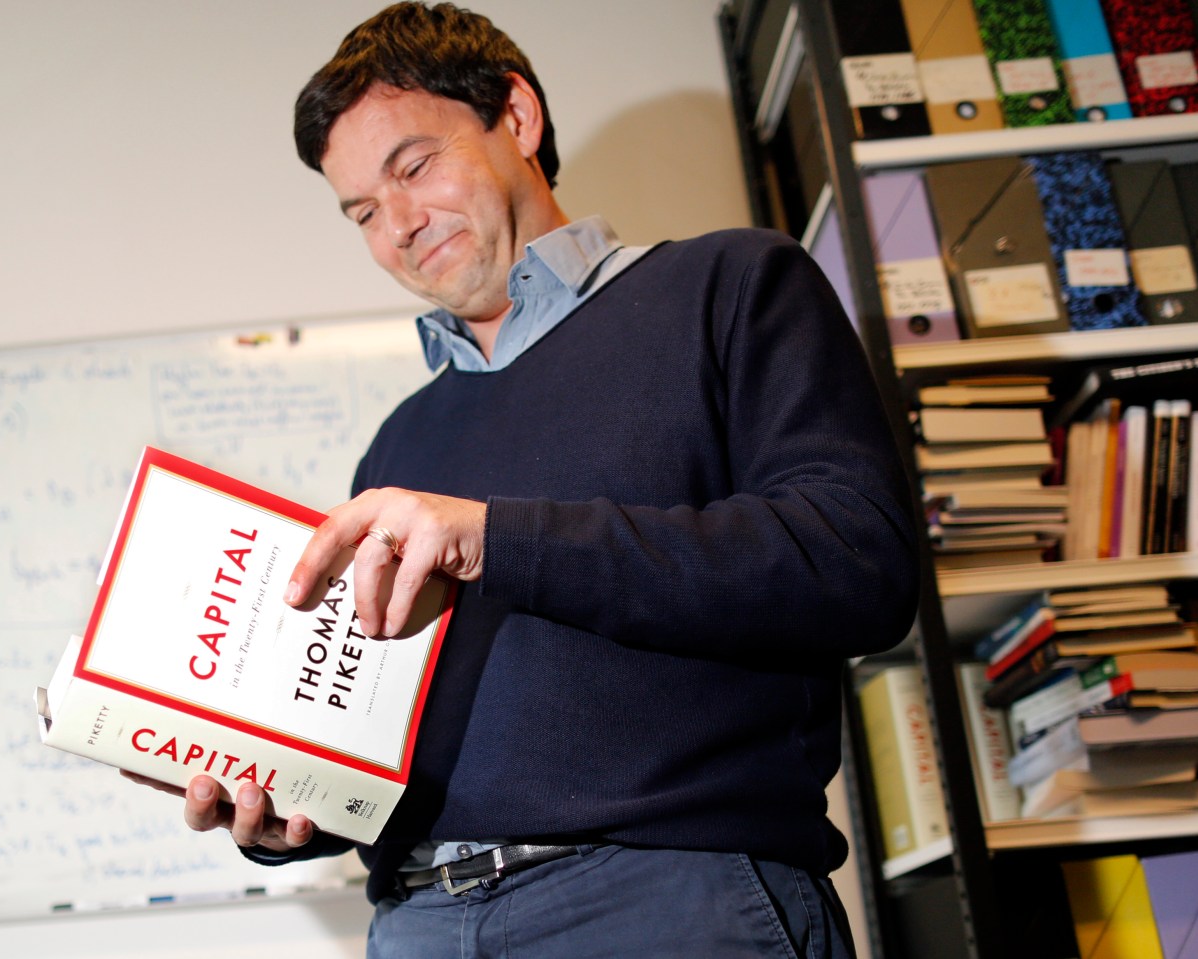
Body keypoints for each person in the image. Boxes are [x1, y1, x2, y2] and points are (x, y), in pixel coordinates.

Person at [128, 3, 919, 956]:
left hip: (665, 902)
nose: (401, 228)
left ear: (517, 117)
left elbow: (856, 564)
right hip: (417, 920)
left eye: (414, 168)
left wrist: (495, 537)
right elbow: (387, 744)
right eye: (364, 214)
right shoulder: (398, 445)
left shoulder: (733, 287)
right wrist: (287, 809)